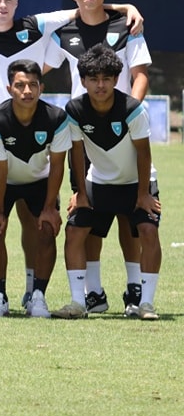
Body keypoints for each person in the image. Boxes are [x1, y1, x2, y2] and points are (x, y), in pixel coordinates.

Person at [0, 0, 143, 310]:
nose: (2, 5)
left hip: (46, 148)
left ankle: (35, 293)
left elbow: (85, 7)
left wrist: (126, 6)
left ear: (17, 2)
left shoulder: (37, 27)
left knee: (42, 225)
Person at [45, 0, 152, 315]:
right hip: (83, 132)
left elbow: (140, 74)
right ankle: (93, 294)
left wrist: (129, 111)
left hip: (122, 127)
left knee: (130, 219)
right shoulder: (62, 31)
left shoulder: (127, 25)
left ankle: (135, 288)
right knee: (87, 217)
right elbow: (38, 66)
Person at [53, 44, 161, 319]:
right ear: (83, 81)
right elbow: (75, 152)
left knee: (147, 232)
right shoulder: (75, 109)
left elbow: (143, 152)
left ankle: (145, 303)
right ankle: (82, 301)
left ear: (115, 79)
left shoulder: (132, 109)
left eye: (106, 79)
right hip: (99, 182)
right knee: (77, 230)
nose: (100, 85)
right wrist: (80, 192)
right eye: (93, 79)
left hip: (137, 181)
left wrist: (143, 194)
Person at [0, 60, 70, 318]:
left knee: (47, 227)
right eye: (20, 85)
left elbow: (57, 166)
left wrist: (50, 207)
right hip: (0, 181)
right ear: (9, 89)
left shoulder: (57, 118)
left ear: (41, 88)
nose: (27, 91)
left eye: (32, 85)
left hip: (39, 180)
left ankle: (37, 296)